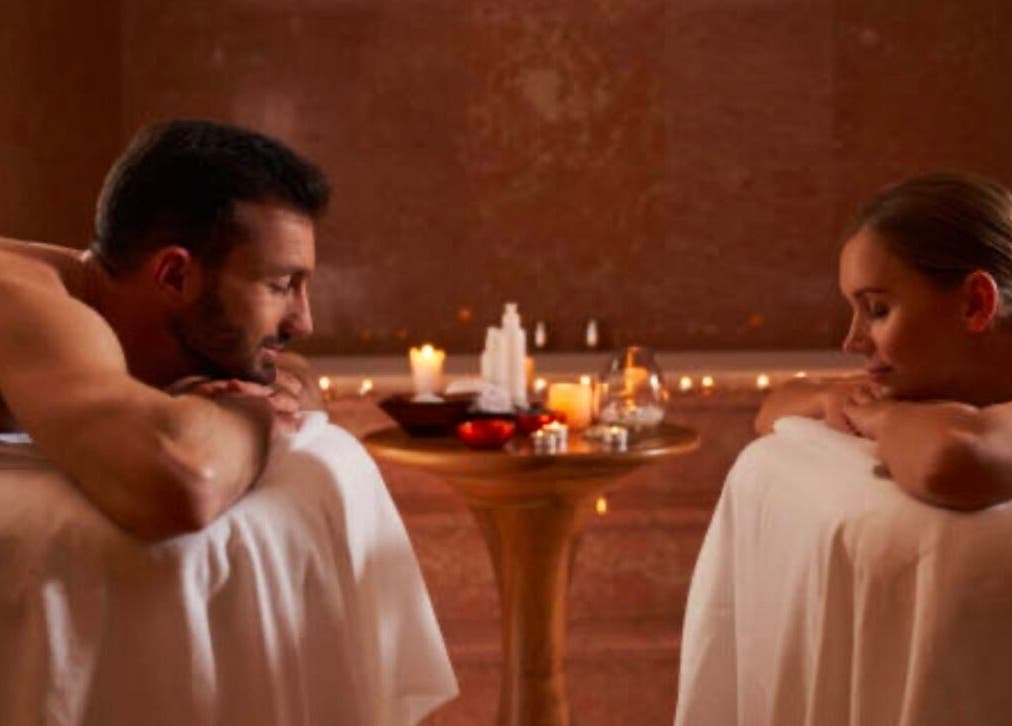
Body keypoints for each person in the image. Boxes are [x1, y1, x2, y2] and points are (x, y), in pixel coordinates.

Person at [0, 118, 330, 539]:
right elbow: (184, 479)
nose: (303, 323)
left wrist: (257, 395)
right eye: (280, 285)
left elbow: (299, 380)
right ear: (174, 276)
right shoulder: (24, 301)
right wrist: (255, 414)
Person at [755, 171, 1012, 510]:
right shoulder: (932, 385)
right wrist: (827, 396)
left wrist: (881, 416)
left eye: (877, 310)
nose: (852, 343)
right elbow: (771, 412)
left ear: (974, 303)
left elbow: (951, 460)